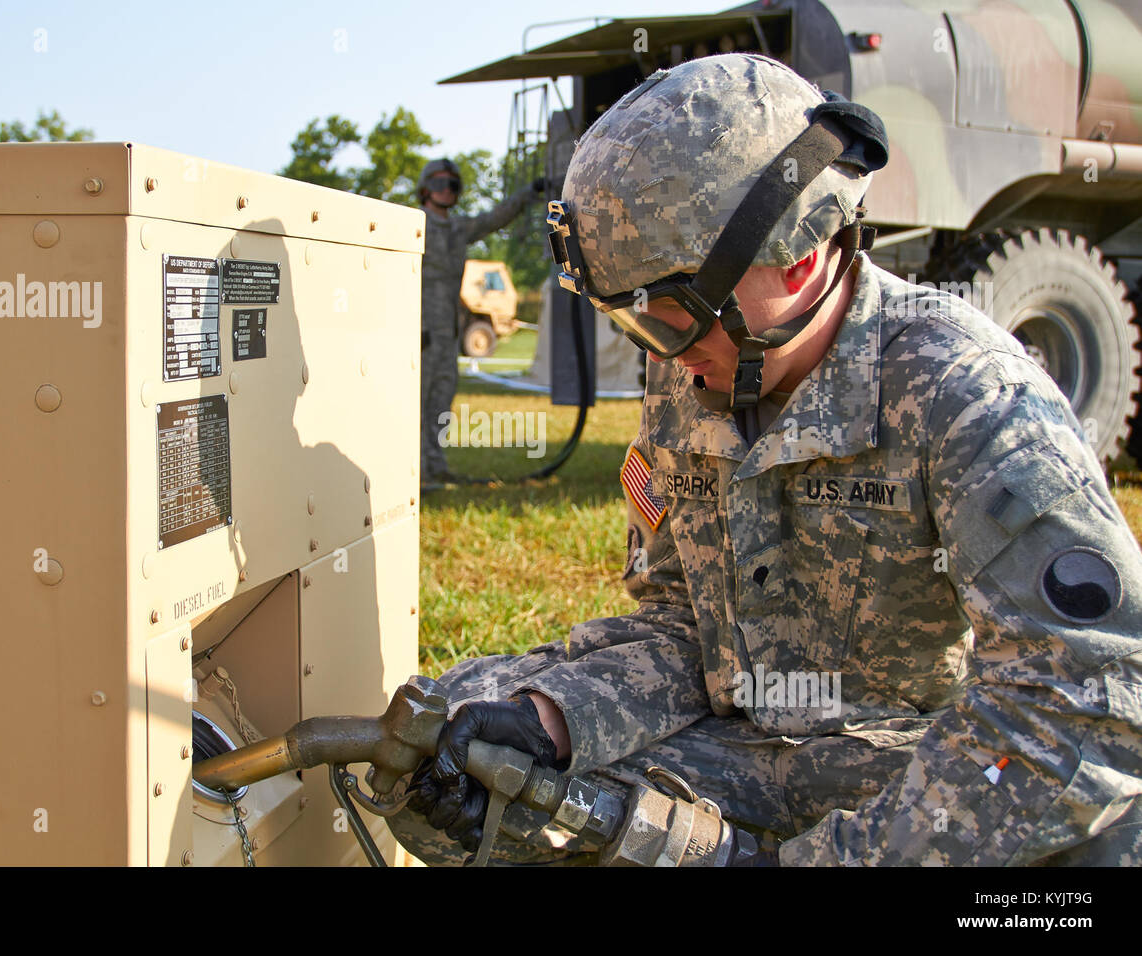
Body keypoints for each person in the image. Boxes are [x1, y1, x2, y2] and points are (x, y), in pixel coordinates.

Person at [388, 53, 1142, 865]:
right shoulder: (698, 370)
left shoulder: (967, 391)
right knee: (457, 756)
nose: (666, 358)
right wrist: (554, 716)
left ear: (800, 255)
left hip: (903, 771)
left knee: (1094, 845)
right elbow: (682, 625)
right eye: (635, 325)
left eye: (672, 316)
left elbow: (1084, 700)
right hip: (741, 750)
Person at [417, 158, 544, 485]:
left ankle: (435, 463)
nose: (446, 191)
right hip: (419, 331)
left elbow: (493, 219)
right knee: (416, 400)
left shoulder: (457, 229)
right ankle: (415, 471)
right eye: (438, 184)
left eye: (452, 185)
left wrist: (528, 194)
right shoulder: (412, 225)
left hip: (448, 331)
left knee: (442, 398)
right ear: (425, 188)